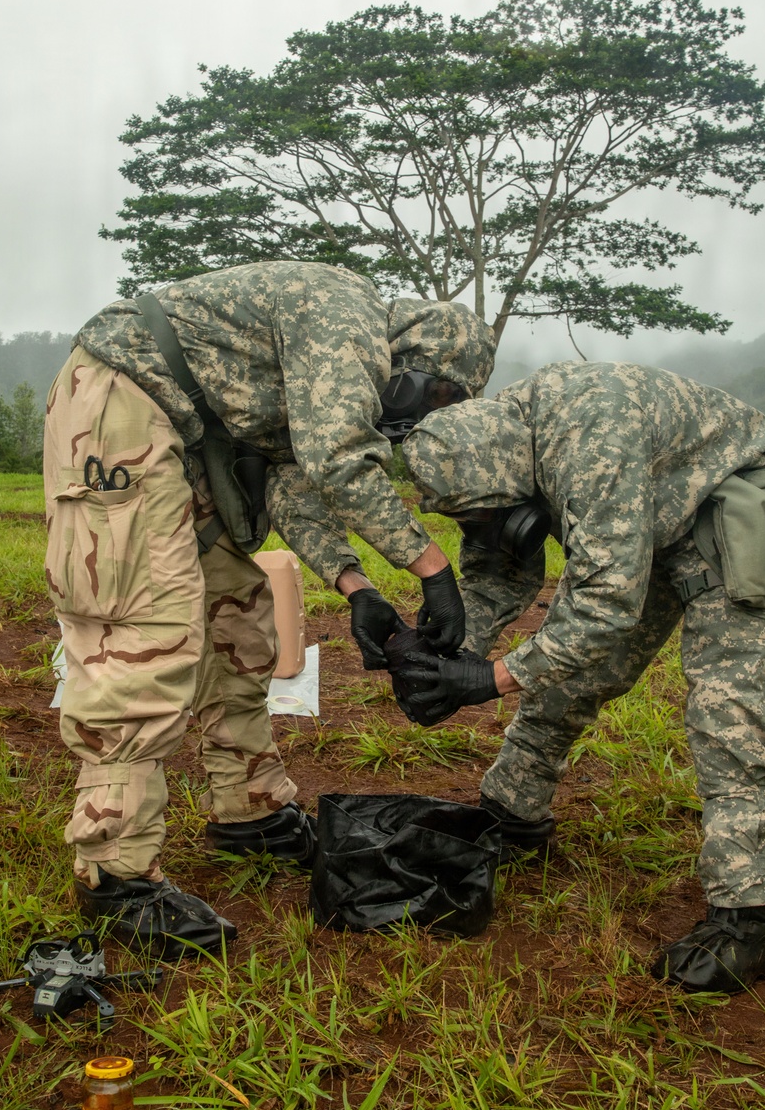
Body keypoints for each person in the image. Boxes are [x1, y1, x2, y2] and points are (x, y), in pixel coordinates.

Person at [44, 260, 495, 956]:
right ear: (414, 350)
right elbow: (338, 456)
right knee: (144, 630)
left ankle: (247, 810)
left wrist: (357, 588)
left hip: (191, 437)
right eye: (432, 391)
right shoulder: (349, 316)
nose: (421, 410)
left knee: (238, 616)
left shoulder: (327, 365)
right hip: (123, 403)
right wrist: (433, 572)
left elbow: (292, 480)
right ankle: (116, 875)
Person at [398, 361, 765, 993]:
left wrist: (489, 679)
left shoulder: (588, 431)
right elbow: (502, 565)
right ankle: (512, 814)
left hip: (725, 513)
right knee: (568, 681)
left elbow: (605, 603)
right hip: (640, 528)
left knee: (732, 715)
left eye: (490, 513)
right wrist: (449, 647)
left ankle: (754, 909)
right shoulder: (495, 449)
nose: (492, 524)